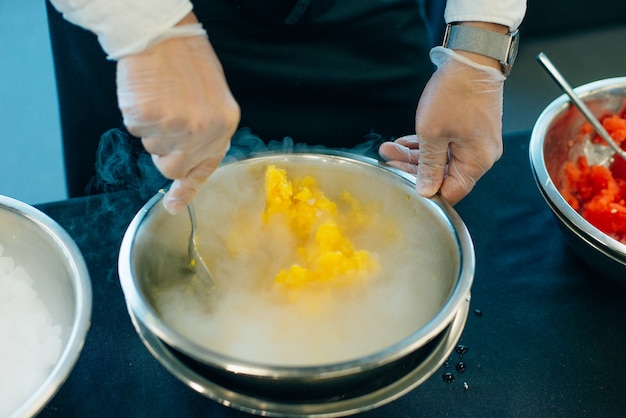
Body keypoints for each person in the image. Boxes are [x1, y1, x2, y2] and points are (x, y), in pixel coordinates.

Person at [46, 0, 526, 214]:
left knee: (394, 190)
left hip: (370, 14)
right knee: (130, 198)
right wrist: (145, 28)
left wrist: (478, 39)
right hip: (142, 21)